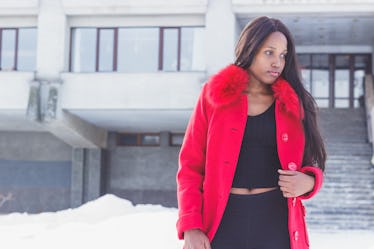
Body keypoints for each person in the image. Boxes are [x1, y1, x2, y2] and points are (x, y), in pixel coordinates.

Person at [176, 16, 326, 249]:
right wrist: (191, 227)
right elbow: (190, 167)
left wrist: (308, 182)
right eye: (269, 52)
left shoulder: (293, 104)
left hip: (275, 222)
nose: (277, 62)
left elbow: (312, 160)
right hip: (222, 222)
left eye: (283, 55)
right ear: (250, 49)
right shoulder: (213, 96)